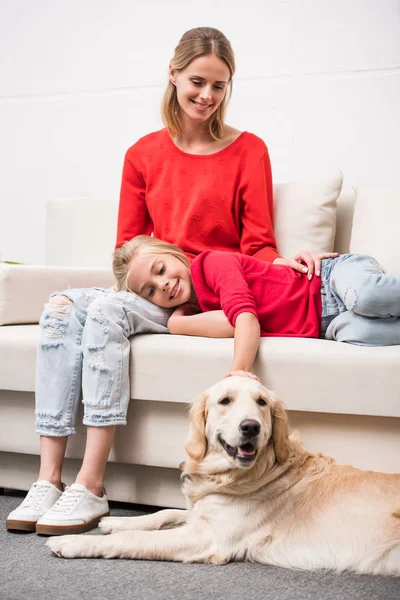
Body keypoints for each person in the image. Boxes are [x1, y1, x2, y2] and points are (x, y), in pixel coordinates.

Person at [6, 26, 332, 535]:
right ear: (174, 74)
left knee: (109, 311)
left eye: (219, 86)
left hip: (206, 291)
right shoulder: (142, 154)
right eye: (197, 81)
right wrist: (145, 279)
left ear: (229, 88)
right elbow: (128, 247)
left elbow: (257, 246)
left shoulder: (249, 150)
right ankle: (47, 479)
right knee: (63, 305)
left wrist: (290, 262)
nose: (206, 95)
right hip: (157, 286)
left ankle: (90, 486)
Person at [115, 235, 400, 379]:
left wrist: (238, 371)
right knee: (364, 334)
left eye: (161, 269)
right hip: (327, 326)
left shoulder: (211, 264)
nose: (162, 284)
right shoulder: (195, 311)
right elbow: (230, 324)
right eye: (150, 290)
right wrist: (175, 324)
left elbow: (246, 319)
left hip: (329, 279)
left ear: (175, 254)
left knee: (364, 297)